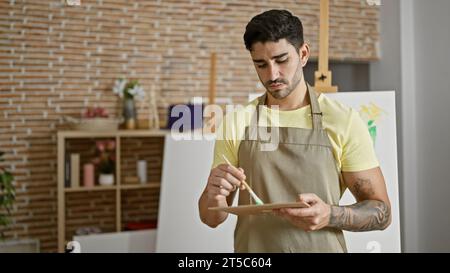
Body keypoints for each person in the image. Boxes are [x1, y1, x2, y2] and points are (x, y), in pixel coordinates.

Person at [198, 9, 391, 253]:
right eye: (261, 64)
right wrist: (213, 195)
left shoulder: (343, 121)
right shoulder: (238, 121)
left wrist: (330, 214)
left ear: (303, 54)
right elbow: (211, 218)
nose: (272, 74)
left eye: (281, 60)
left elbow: (382, 212)